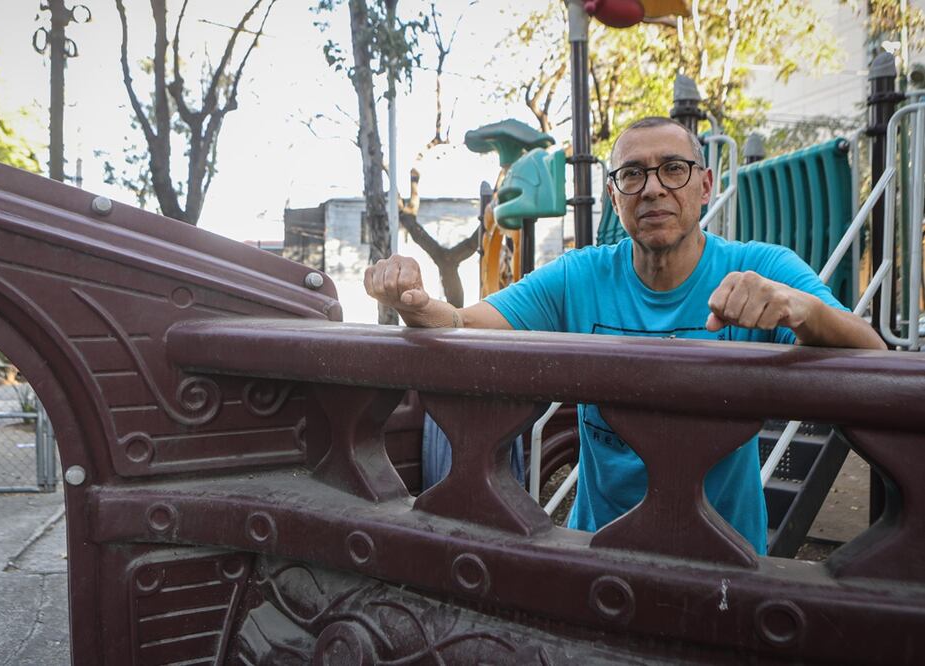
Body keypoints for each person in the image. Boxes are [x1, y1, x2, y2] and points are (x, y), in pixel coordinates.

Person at [363, 116, 885, 554]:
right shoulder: (579, 276)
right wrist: (414, 301)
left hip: (726, 560)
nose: (653, 187)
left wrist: (800, 310)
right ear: (615, 197)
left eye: (673, 170)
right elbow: (464, 328)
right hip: (601, 554)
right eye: (632, 174)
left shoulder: (760, 268)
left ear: (704, 187)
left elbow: (873, 352)